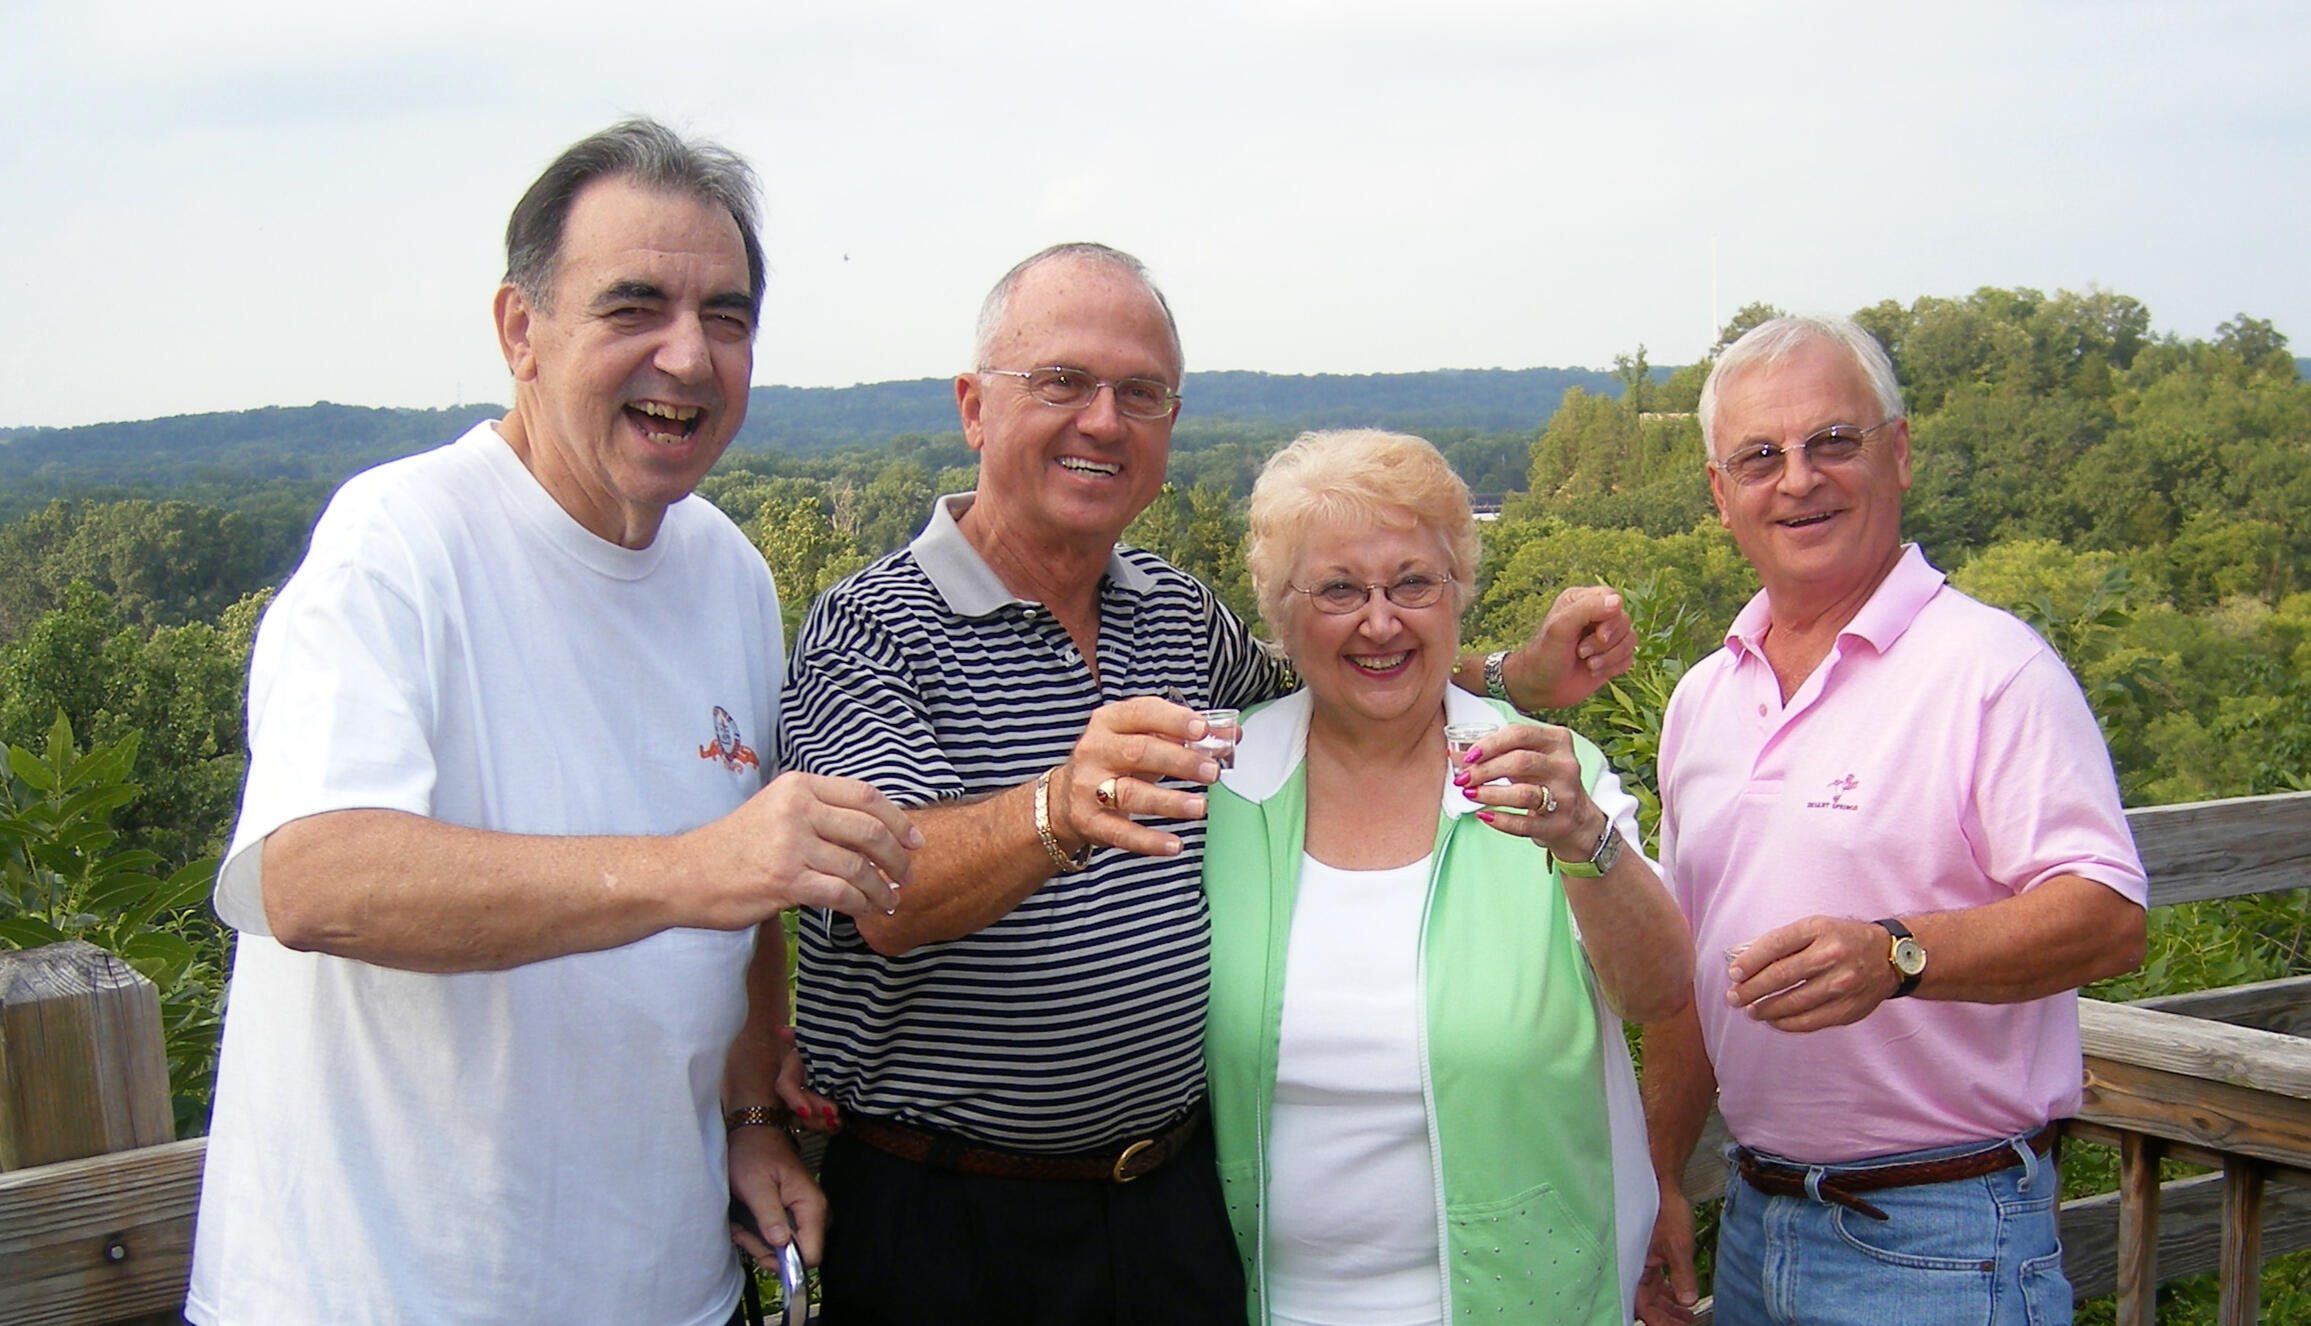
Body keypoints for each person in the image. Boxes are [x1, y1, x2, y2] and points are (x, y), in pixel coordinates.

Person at [777, 242, 1637, 1323]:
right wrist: (1055, 812)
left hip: (1170, 1210)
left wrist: (1509, 674)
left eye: (1140, 393)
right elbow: (882, 895)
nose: (1103, 421)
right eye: (1062, 382)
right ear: (973, 408)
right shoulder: (867, 628)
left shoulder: (1176, 616)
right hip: (955, 1220)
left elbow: (1342, 672)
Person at [186, 119, 920, 1326]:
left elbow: (749, 901)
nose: (687, 356)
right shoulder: (396, 544)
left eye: (726, 317)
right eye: (634, 307)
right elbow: (309, 878)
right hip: (385, 1295)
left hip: (671, 1290)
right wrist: (690, 870)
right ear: (519, 331)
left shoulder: (728, 572)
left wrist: (750, 1117)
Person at [1635, 316, 2149, 1326]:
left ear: (1899, 453)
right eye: (1759, 457)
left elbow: (2107, 918)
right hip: (1754, 1218)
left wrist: (1896, 955)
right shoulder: (1703, 697)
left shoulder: (1991, 669)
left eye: (1833, 441)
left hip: (1943, 1238)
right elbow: (1683, 974)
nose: (1798, 480)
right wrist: (1658, 1177)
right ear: (1719, 493)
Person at [1201, 429, 1693, 1325]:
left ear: (1458, 592)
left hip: (1531, 1300)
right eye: (1339, 589)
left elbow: (1659, 990)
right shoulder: (1224, 789)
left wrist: (1584, 839)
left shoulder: (1546, 772)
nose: (1379, 622)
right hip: (1267, 1303)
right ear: (1281, 613)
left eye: (1412, 583)